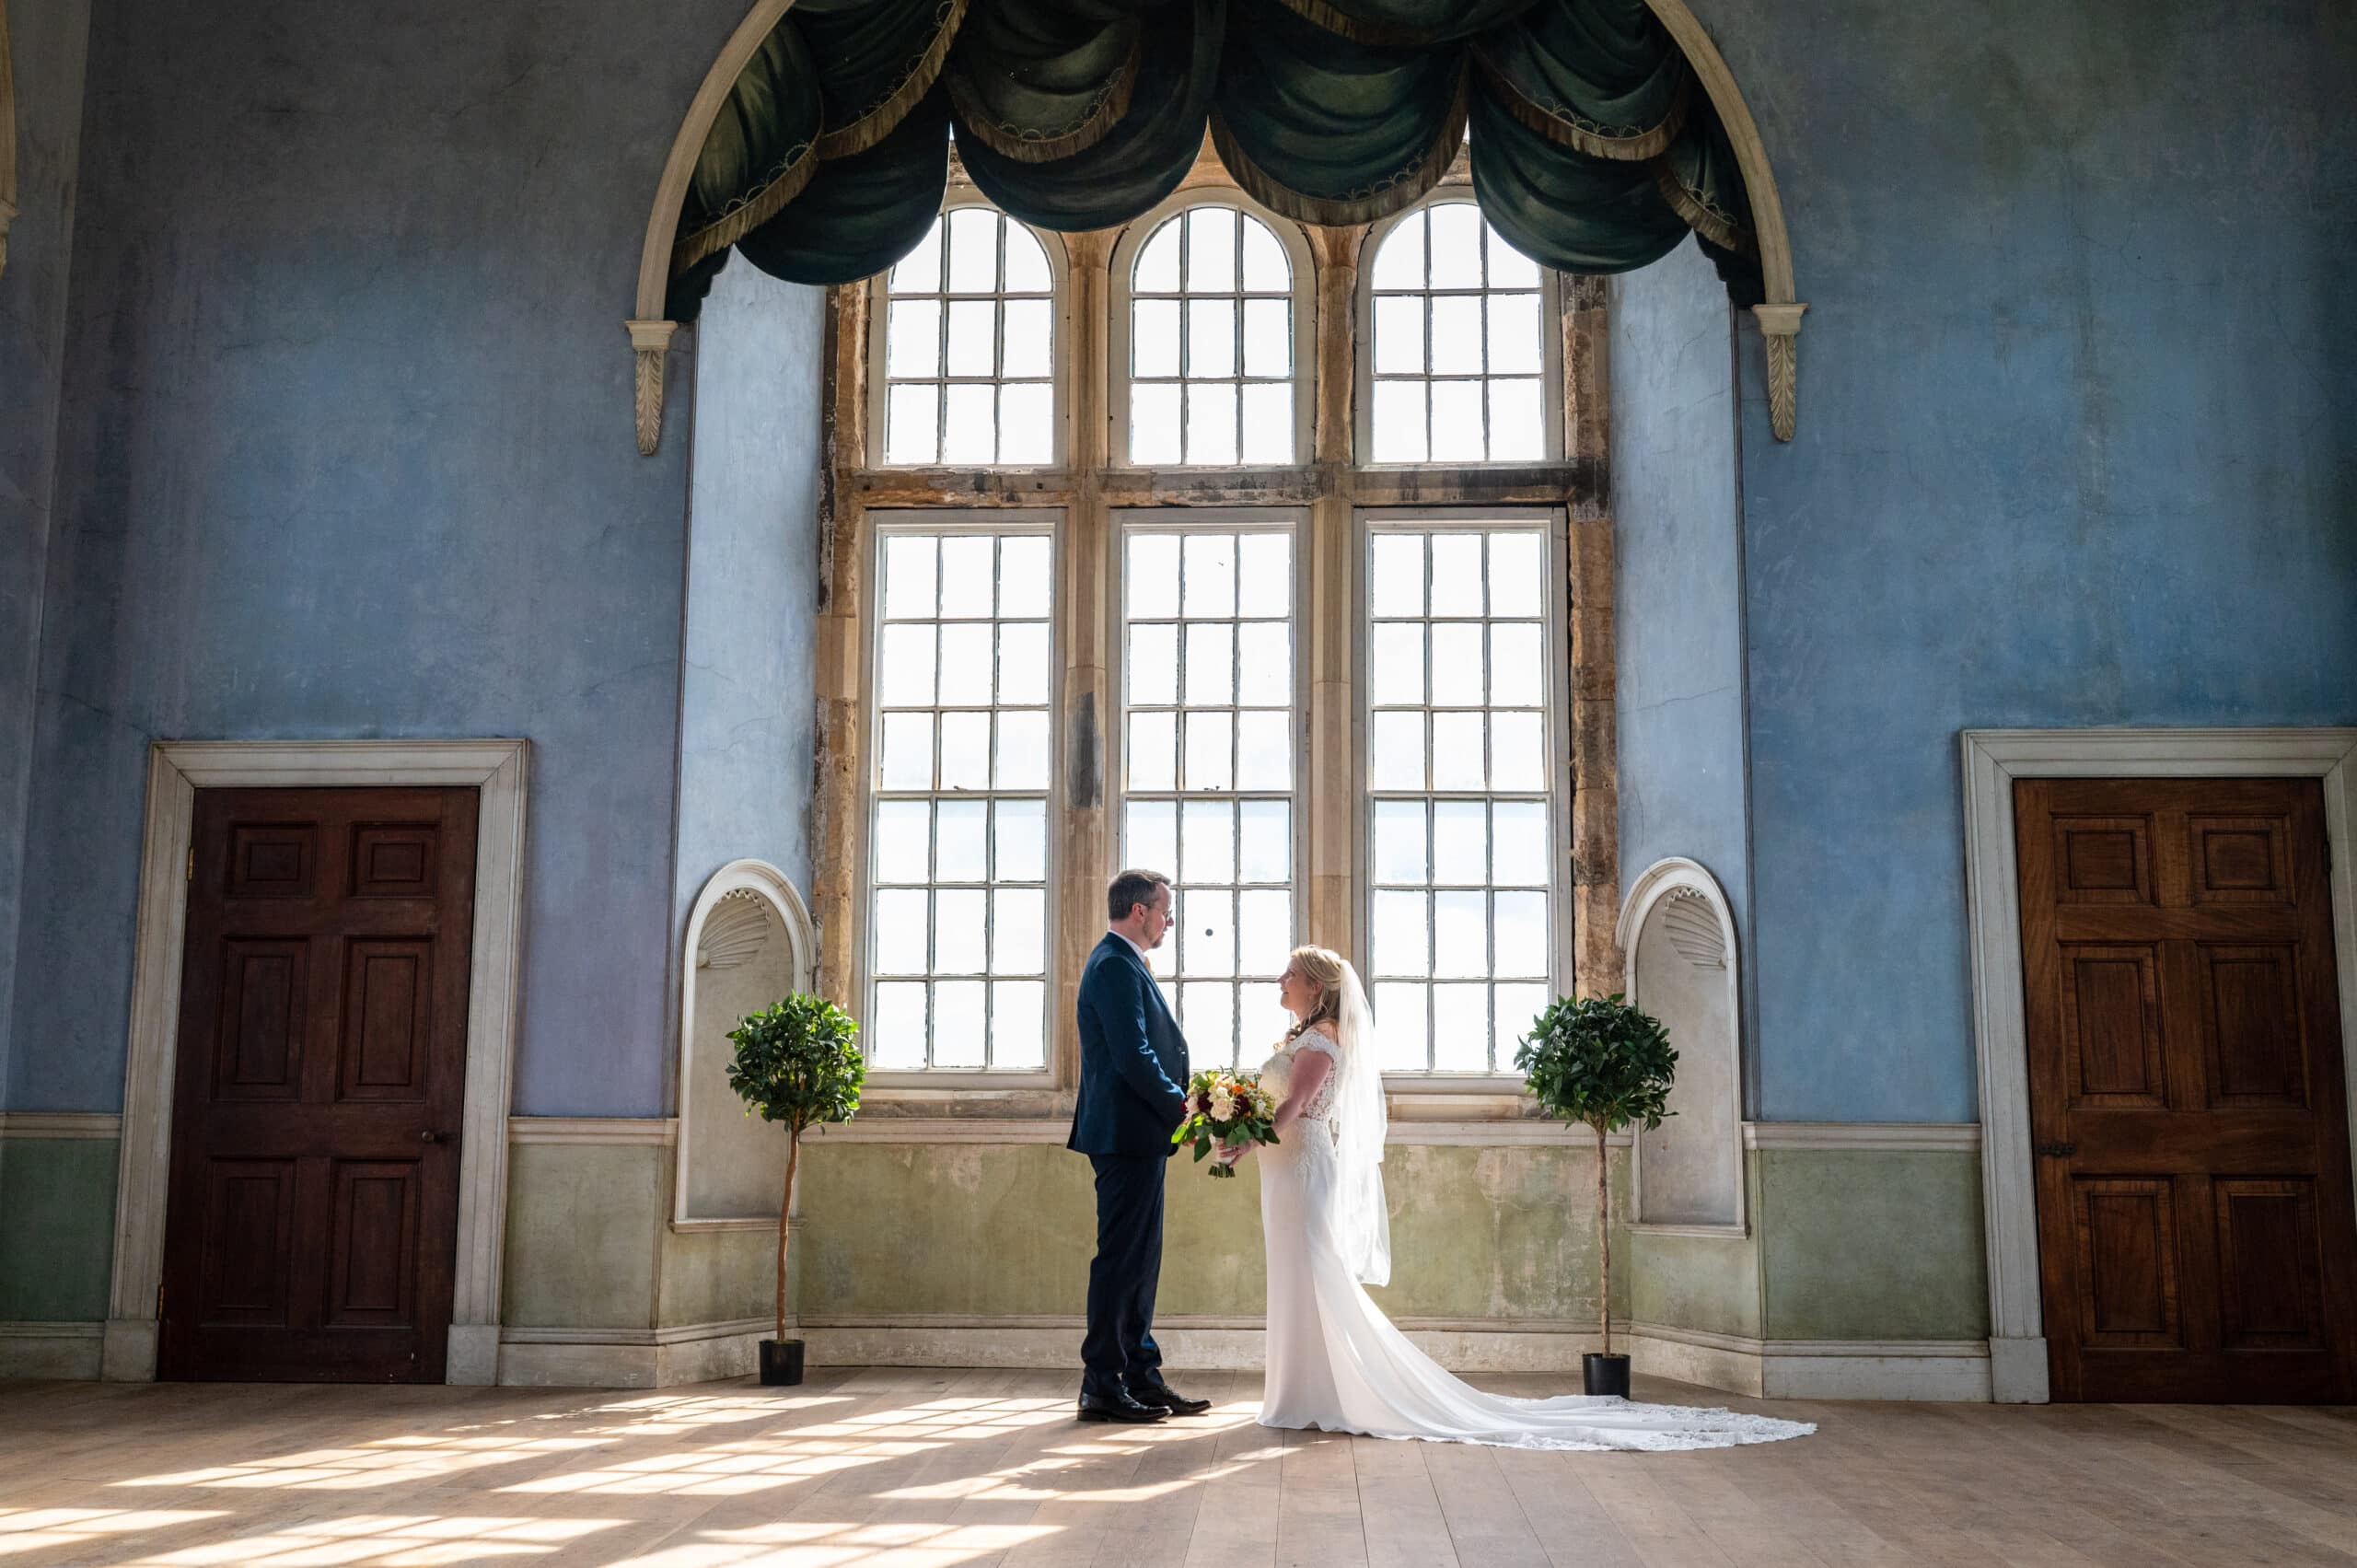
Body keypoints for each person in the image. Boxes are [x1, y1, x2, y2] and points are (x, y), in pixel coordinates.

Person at [1218, 945, 1814, 1452]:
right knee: (1298, 1278)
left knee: (1315, 1278)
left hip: (1300, 1169)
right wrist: (1237, 1132)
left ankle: (1321, 1392)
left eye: (1289, 973)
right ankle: (1303, 1390)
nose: (1281, 980)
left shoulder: (1321, 1042)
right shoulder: (1306, 1036)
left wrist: (1240, 1140)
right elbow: (1281, 1108)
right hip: (1287, 1172)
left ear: (1316, 986)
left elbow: (1292, 1110)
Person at [1066, 869, 1212, 1423]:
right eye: (1164, 910)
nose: (1169, 921)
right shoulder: (1112, 965)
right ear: (1138, 911)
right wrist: (1186, 1108)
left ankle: (1141, 1377)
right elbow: (1134, 1058)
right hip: (1125, 1136)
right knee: (1121, 1263)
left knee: (1139, 1262)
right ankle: (1102, 1385)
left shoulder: (1125, 963)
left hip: (1138, 1136)